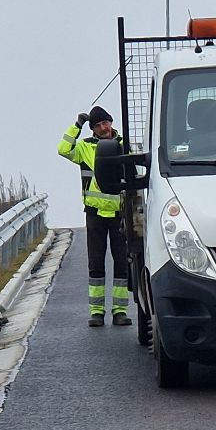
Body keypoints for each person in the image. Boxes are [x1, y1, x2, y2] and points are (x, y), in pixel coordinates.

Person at [57, 106, 132, 326]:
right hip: (94, 214)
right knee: (96, 263)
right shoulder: (84, 147)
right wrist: (77, 126)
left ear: (111, 122)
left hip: (120, 213)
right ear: (93, 129)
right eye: (98, 125)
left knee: (121, 262)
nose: (103, 128)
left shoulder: (124, 145)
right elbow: (63, 149)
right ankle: (97, 312)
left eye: (105, 123)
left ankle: (120, 311)